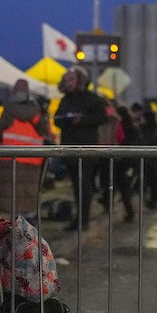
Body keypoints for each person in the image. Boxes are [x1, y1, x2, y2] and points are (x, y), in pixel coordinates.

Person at [52, 65, 108, 231]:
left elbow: (102, 117)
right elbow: (56, 119)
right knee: (76, 185)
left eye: (71, 79)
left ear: (80, 80)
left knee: (84, 185)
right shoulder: (65, 100)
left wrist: (82, 120)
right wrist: (66, 120)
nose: (68, 83)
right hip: (69, 148)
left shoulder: (93, 99)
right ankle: (79, 219)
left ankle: (84, 220)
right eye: (66, 80)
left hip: (86, 148)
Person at [0, 79, 52, 216]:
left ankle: (8, 227)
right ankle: (28, 224)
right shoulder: (37, 113)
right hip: (33, 159)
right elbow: (45, 132)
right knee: (28, 194)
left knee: (8, 195)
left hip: (8, 158)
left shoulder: (8, 112)